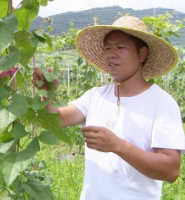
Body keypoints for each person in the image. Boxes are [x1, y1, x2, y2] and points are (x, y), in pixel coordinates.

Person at [32, 16, 185, 200]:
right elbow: (55, 119)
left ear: (142, 54)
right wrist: (47, 92)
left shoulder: (161, 102)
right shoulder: (96, 96)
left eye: (120, 47)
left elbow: (170, 170)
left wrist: (118, 145)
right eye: (108, 48)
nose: (112, 54)